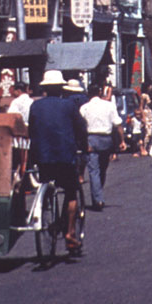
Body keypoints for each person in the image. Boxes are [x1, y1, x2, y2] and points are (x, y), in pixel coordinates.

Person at [27, 69, 86, 253]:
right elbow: (80, 129)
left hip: (43, 157)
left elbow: (32, 132)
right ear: (62, 88)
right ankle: (70, 232)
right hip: (64, 156)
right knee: (71, 192)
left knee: (47, 183)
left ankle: (47, 206)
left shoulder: (35, 106)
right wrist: (84, 147)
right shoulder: (68, 106)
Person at [80, 80, 126, 211]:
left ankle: (97, 197)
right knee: (102, 168)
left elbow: (81, 127)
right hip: (106, 139)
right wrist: (122, 141)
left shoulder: (84, 108)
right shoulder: (109, 106)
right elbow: (118, 125)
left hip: (91, 139)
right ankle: (98, 196)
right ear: (100, 92)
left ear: (88, 93)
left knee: (94, 170)